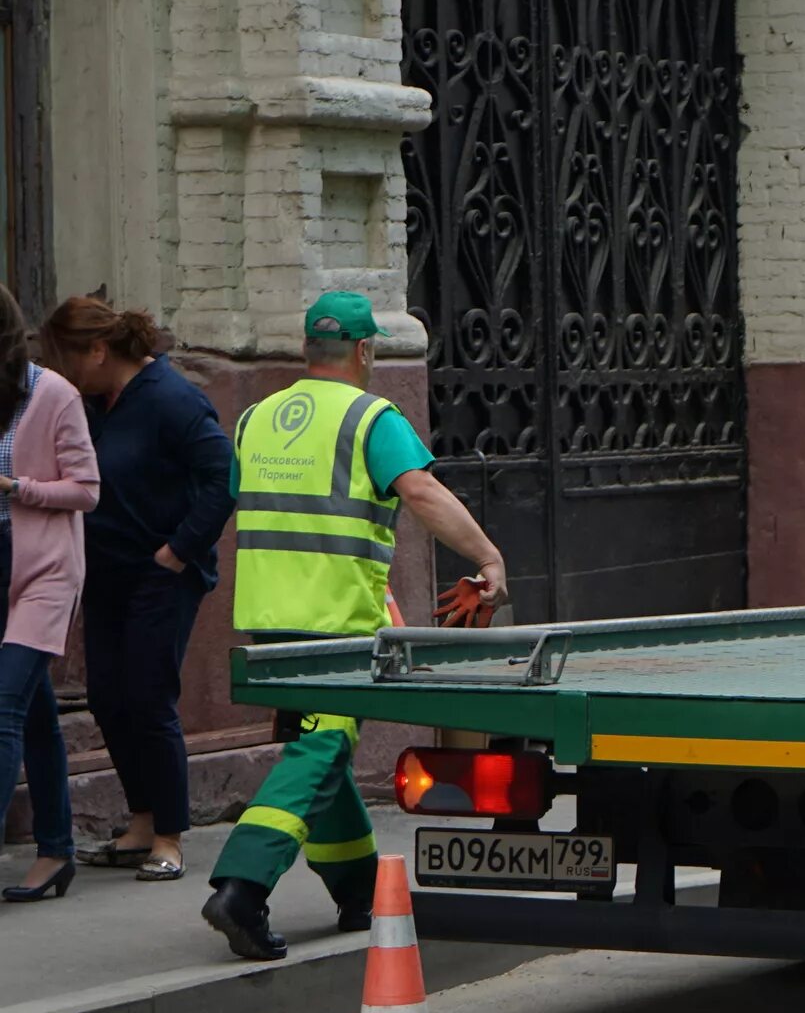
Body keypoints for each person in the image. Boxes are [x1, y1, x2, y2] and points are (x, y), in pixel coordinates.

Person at [202, 291, 511, 961]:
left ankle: (358, 889)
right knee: (317, 751)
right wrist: (486, 556)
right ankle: (242, 884)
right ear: (367, 351)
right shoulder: (372, 416)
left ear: (309, 349)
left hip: (269, 620)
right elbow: (422, 492)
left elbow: (233, 501)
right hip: (334, 622)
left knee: (325, 750)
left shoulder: (255, 418)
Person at [39, 293, 235, 882]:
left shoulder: (172, 399)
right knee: (108, 697)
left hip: (161, 576)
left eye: (66, 358)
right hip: (105, 573)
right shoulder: (96, 404)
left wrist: (177, 552)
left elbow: (222, 480)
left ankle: (170, 838)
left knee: (149, 699)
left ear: (98, 350)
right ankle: (143, 819)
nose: (60, 372)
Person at [0, 287, 100, 905]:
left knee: (4, 707)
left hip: (44, 569)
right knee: (36, 717)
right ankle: (57, 851)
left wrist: (18, 486)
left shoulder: (53, 393)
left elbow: (86, 489)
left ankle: (53, 850)